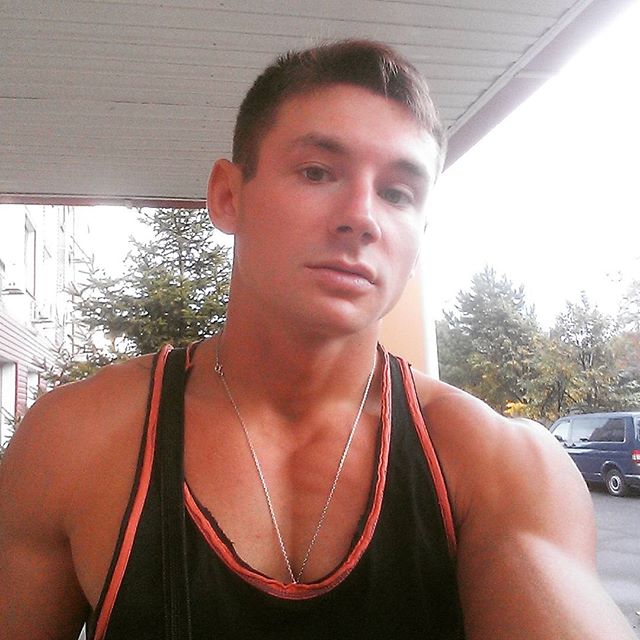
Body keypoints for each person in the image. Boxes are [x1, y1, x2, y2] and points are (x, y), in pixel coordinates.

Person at [0, 39, 635, 640]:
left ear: (419, 236)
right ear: (228, 196)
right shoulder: (76, 441)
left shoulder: (498, 468)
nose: (362, 216)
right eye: (316, 171)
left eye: (397, 193)